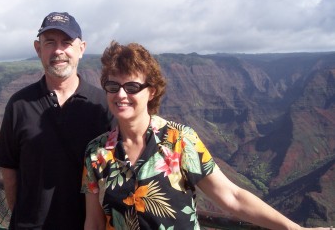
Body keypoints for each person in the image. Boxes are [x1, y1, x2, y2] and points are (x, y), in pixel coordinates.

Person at [81, 41, 330, 230]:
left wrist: (293, 228)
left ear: (152, 92)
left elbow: (232, 197)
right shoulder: (97, 153)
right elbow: (93, 222)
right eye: (113, 87)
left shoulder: (179, 140)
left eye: (132, 86)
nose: (121, 95)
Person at [0, 12, 114, 229]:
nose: (58, 51)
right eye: (50, 42)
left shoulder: (102, 106)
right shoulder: (19, 104)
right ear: (38, 49)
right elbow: (9, 168)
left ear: (81, 48)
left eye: (66, 42)